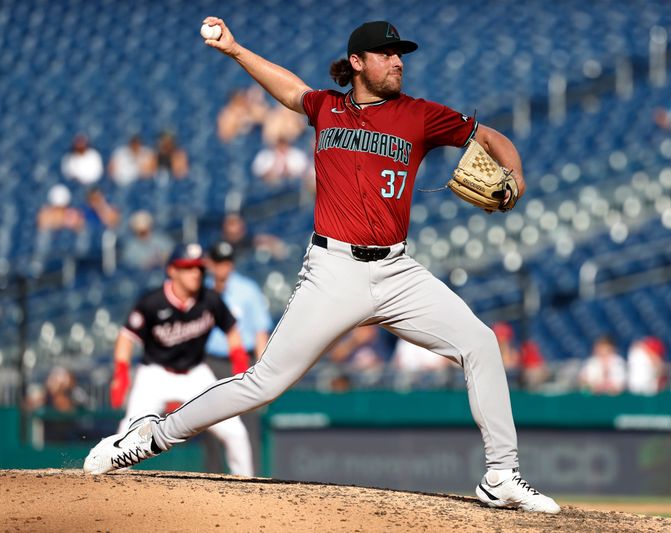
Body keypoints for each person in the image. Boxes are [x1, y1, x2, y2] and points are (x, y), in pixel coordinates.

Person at [84, 18, 559, 514]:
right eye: (386, 53)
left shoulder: (420, 115)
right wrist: (236, 50)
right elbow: (290, 89)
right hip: (333, 271)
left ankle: (501, 475)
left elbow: (492, 137)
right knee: (265, 381)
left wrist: (517, 175)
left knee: (480, 342)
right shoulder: (327, 108)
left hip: (398, 272)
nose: (398, 61)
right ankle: (148, 436)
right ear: (357, 62)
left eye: (401, 54)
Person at [103, 243, 253, 476]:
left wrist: (239, 361)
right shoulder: (152, 302)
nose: (196, 273)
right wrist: (121, 374)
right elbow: (126, 337)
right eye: (188, 267)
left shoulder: (210, 299)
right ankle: (112, 484)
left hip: (196, 375)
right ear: (172, 270)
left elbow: (232, 329)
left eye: (199, 268)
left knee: (235, 432)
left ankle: (248, 487)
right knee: (128, 434)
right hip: (155, 375)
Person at [203, 240, 272, 475]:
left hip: (242, 361)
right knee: (209, 422)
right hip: (210, 361)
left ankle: (250, 480)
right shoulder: (202, 290)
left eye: (228, 261)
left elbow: (260, 330)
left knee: (248, 422)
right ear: (211, 263)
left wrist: (263, 369)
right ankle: (211, 477)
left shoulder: (247, 289)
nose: (224, 267)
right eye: (219, 261)